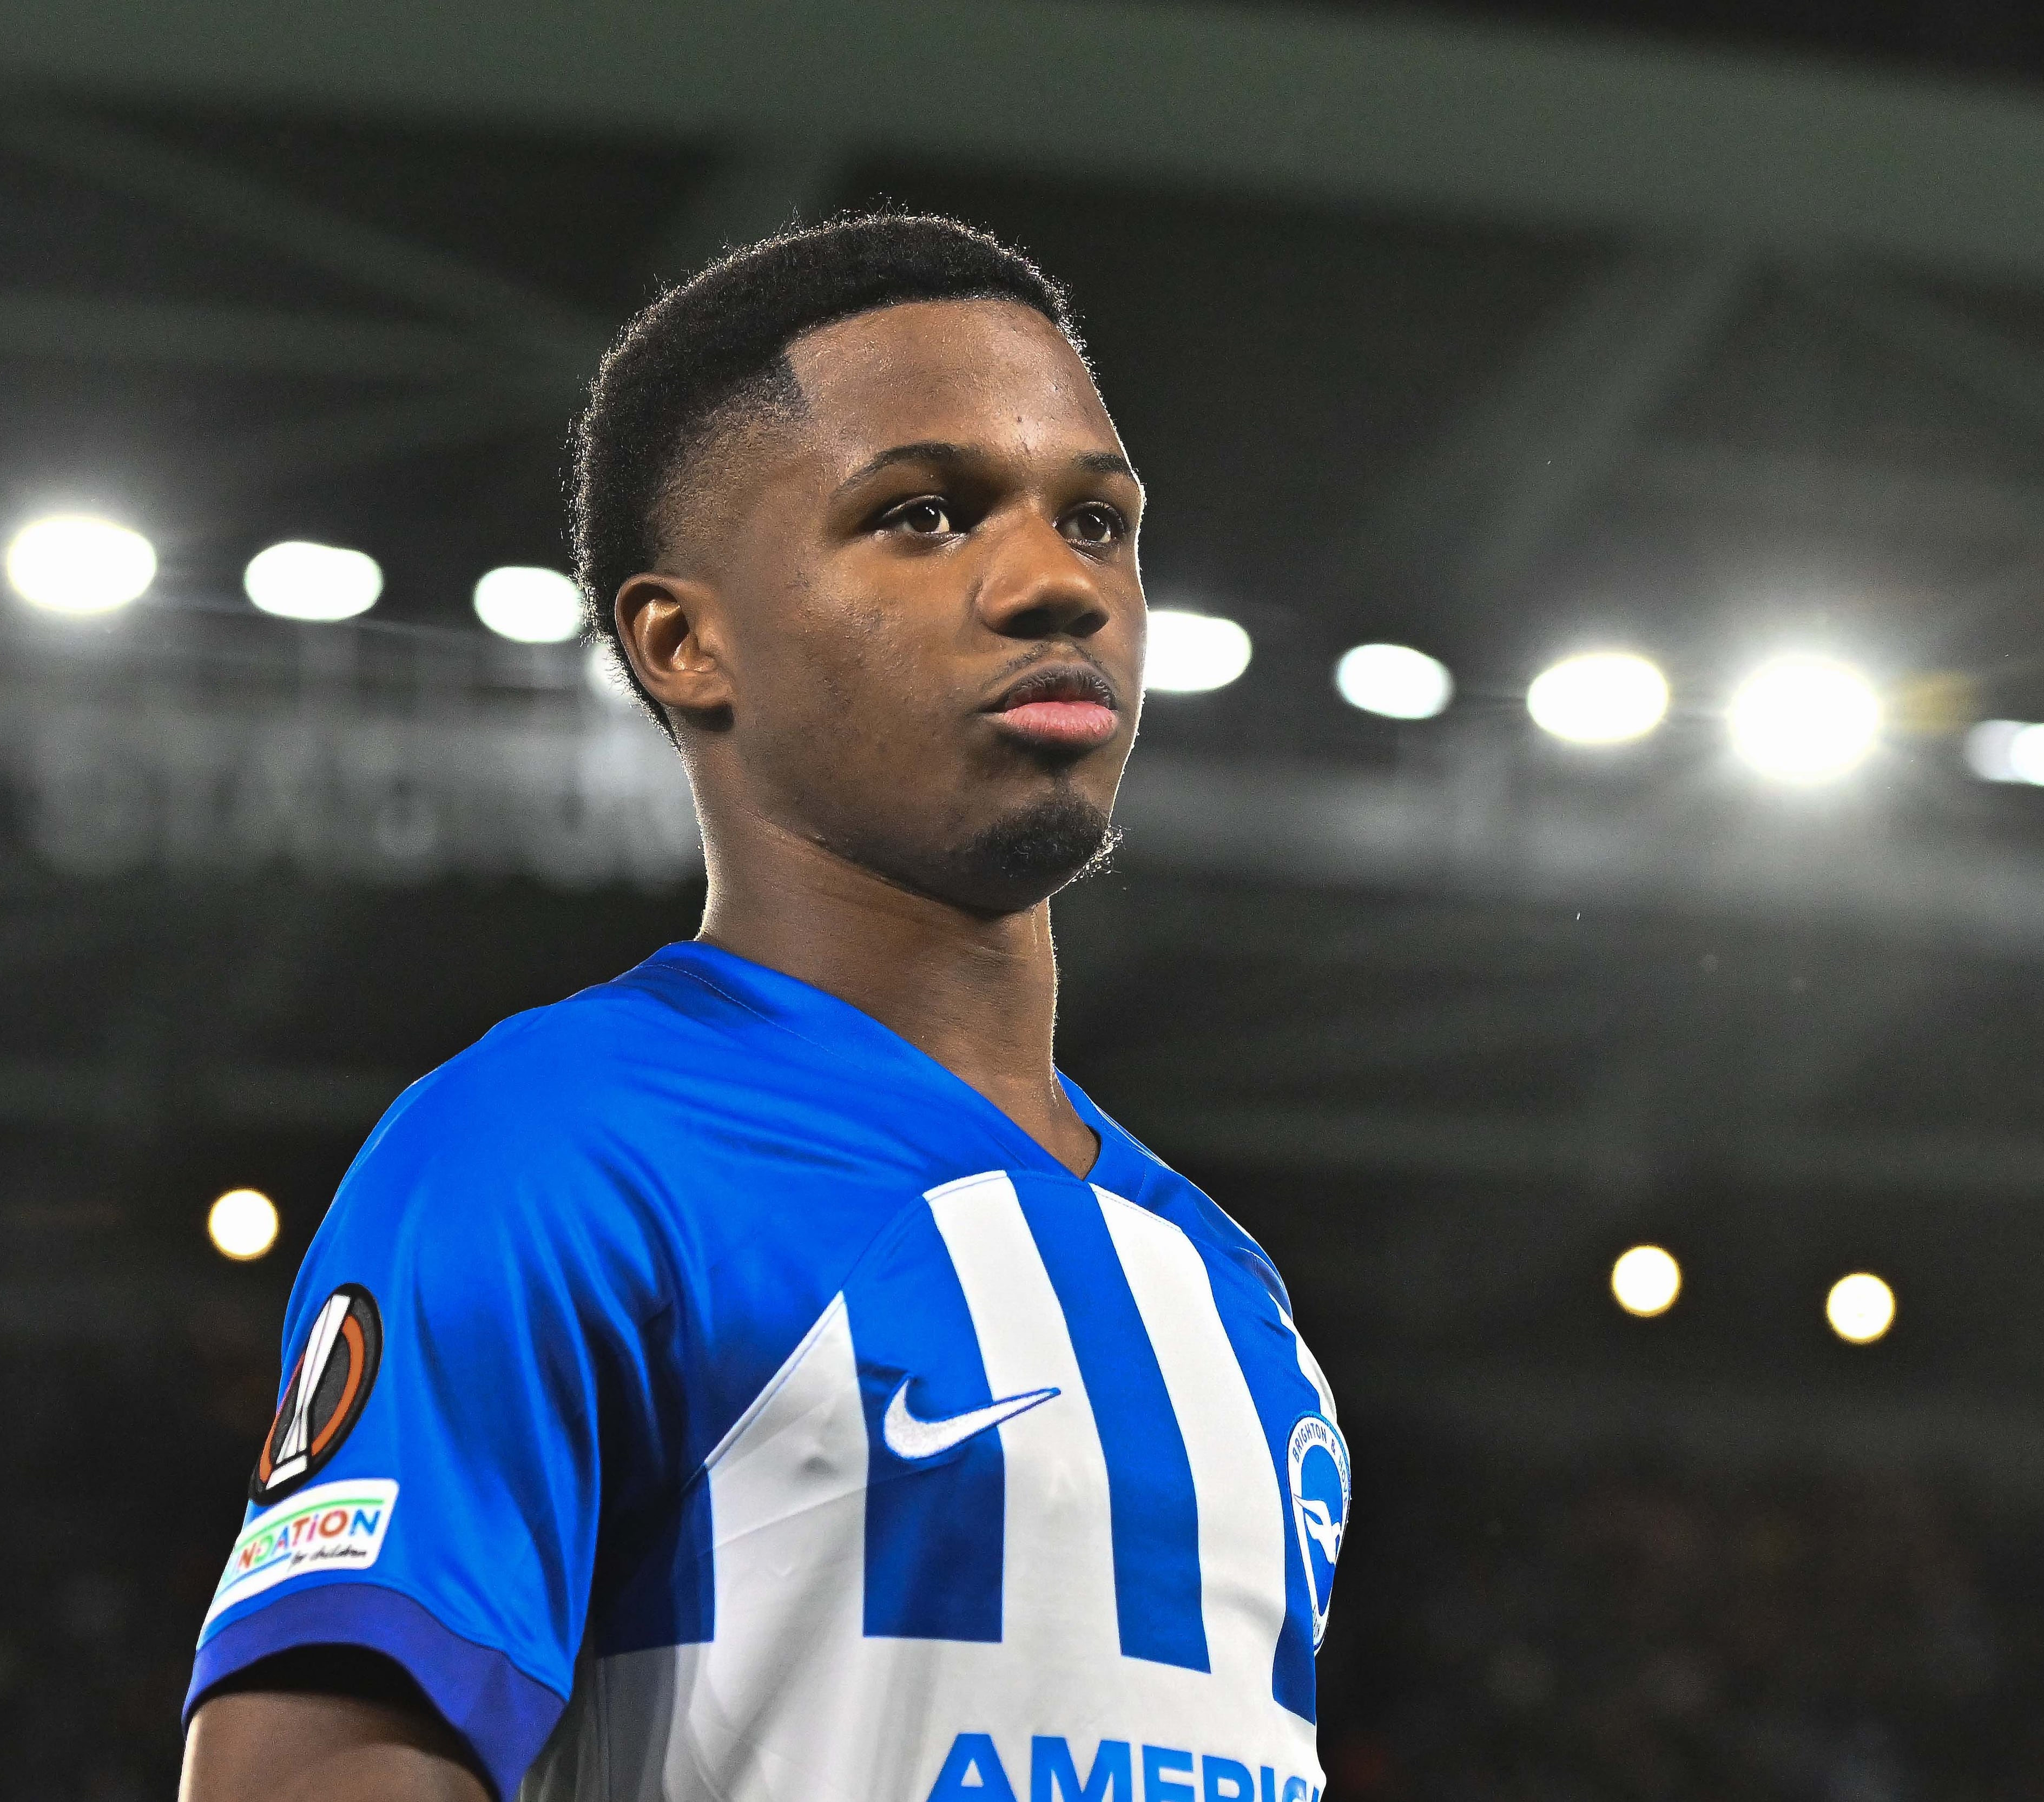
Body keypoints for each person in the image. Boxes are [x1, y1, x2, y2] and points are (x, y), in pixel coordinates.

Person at [177, 214, 1349, 1802]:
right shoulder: (553, 1147)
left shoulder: (1228, 1284)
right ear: (685, 640)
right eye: (926, 514)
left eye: (1099, 519)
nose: (1057, 582)